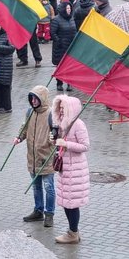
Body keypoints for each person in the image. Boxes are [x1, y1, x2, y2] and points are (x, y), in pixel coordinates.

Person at [13, 86, 55, 229]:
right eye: (32, 98)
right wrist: (19, 138)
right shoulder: (30, 112)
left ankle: (49, 213)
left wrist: (53, 138)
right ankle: (38, 210)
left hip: (46, 157)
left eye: (36, 98)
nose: (33, 100)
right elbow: (25, 128)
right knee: (36, 186)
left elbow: (57, 133)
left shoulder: (51, 114)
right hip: (32, 157)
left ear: (42, 99)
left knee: (49, 187)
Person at [50, 94, 90, 245]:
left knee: (72, 203)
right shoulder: (60, 123)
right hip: (64, 168)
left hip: (76, 170)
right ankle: (72, 232)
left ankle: (73, 233)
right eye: (59, 108)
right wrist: (54, 140)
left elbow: (85, 146)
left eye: (63, 108)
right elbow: (56, 142)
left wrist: (67, 145)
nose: (60, 111)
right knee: (66, 202)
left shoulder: (78, 124)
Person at [50, 2, 76, 92]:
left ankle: (69, 84)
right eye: (67, 8)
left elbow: (74, 30)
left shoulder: (72, 19)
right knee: (60, 66)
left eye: (70, 8)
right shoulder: (56, 20)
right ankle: (59, 83)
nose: (69, 10)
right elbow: (52, 33)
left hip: (70, 46)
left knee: (70, 67)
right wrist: (59, 41)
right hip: (60, 47)